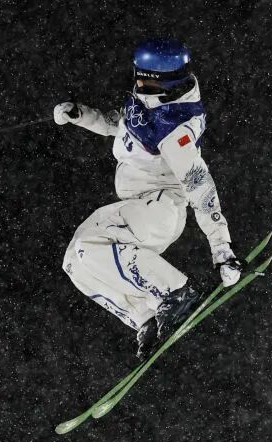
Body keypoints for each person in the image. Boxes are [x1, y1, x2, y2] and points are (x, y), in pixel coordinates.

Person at [54, 39, 240, 359]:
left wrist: (222, 248)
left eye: (146, 80)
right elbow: (122, 124)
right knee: (74, 260)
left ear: (168, 81)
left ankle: (176, 292)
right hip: (138, 203)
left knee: (90, 241)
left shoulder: (175, 127)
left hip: (160, 207)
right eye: (137, 76)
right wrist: (82, 115)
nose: (139, 84)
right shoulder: (150, 97)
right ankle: (145, 317)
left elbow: (200, 186)